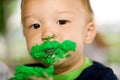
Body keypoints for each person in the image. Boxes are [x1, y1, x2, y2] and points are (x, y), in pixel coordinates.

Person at [11, 0, 118, 80]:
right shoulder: (26, 75)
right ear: (24, 34)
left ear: (88, 33)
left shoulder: (102, 77)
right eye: (35, 25)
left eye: (62, 22)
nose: (47, 33)